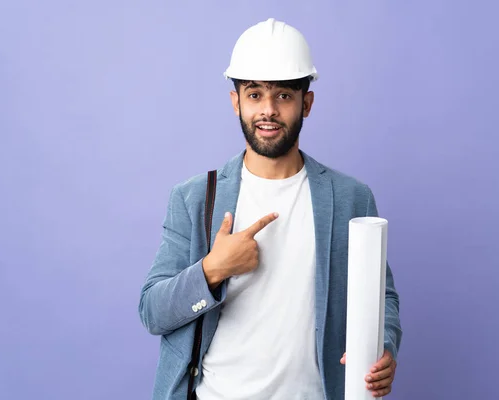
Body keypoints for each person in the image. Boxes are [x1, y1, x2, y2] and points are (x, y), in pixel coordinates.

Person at [138, 18, 402, 400]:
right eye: (255, 94)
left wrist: (385, 345)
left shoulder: (350, 198)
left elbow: (384, 298)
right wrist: (214, 269)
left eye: (283, 96)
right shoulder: (195, 198)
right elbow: (152, 311)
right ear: (236, 102)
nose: (268, 110)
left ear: (306, 103)